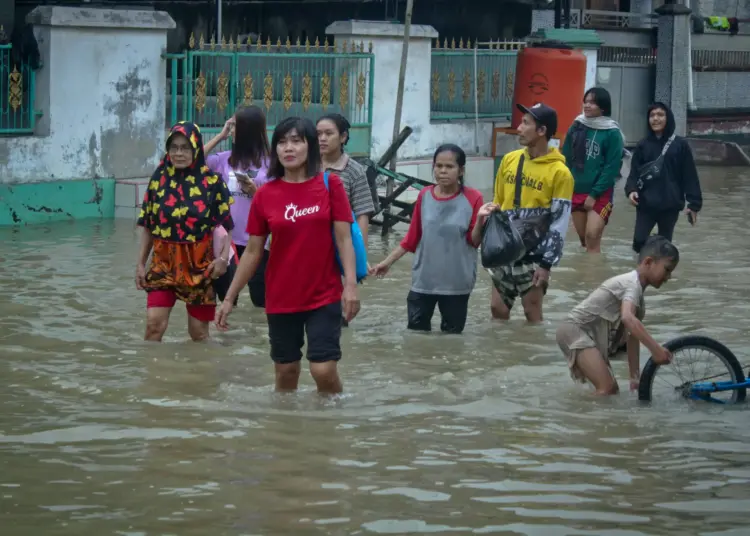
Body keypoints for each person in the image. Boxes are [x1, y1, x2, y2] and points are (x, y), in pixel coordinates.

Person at [215, 117, 360, 395]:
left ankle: (334, 421)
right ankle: (285, 429)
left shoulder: (331, 186)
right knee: (285, 373)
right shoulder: (265, 194)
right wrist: (230, 298)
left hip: (324, 294)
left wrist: (350, 285)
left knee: (323, 370)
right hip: (280, 296)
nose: (288, 148)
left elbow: (344, 239)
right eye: (282, 142)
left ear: (310, 147)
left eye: (296, 140)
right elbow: (254, 251)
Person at [135, 121, 234, 342]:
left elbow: (226, 225)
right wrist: (141, 263)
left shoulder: (212, 181)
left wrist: (222, 259)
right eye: (174, 148)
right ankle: (152, 374)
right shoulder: (158, 180)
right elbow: (149, 225)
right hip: (163, 263)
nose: (179, 153)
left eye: (185, 148)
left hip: (200, 265)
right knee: (153, 326)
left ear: (196, 148)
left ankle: (200, 375)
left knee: (198, 334)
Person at [370, 144, 483, 334]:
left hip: (456, 284)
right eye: (438, 166)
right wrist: (386, 262)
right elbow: (412, 238)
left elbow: (474, 241)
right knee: (416, 335)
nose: (442, 171)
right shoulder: (424, 195)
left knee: (452, 339)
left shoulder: (474, 198)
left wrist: (481, 219)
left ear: (461, 170)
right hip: (424, 281)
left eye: (449, 166)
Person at [480, 103, 574, 322]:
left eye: (525, 123)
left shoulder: (560, 173)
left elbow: (559, 222)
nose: (519, 128)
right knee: (497, 309)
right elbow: (498, 204)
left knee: (532, 312)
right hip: (505, 248)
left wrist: (546, 264)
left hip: (535, 252)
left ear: (542, 131)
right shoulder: (509, 160)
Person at [555, 235, 678, 396]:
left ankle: (584, 414)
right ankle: (573, 416)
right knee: (607, 389)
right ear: (648, 262)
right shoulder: (631, 284)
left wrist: (635, 378)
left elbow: (632, 336)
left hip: (585, 335)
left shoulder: (638, 295)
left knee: (612, 392)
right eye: (667, 269)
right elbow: (627, 318)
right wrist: (656, 350)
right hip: (574, 330)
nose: (668, 277)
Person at [205, 106, 272, 307]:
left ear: (249, 130)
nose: (232, 131)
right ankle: (228, 336)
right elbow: (194, 160)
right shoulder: (224, 159)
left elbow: (280, 204)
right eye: (231, 126)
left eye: (235, 126)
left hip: (259, 240)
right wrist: (220, 135)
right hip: (229, 242)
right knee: (227, 298)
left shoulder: (271, 163)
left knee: (260, 300)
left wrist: (255, 193)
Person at [624, 102, 703, 253]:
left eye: (660, 115)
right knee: (638, 241)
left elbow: (690, 176)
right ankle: (641, 270)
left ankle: (659, 272)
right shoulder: (642, 145)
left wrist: (694, 204)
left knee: (665, 245)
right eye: (652, 115)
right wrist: (631, 190)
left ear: (668, 118)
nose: (655, 119)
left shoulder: (681, 146)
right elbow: (634, 173)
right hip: (646, 203)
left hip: (670, 204)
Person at [561, 87, 625, 253]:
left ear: (603, 107)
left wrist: (594, 194)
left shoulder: (612, 133)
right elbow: (566, 157)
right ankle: (585, 274)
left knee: (592, 236)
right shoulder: (577, 126)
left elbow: (611, 168)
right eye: (586, 101)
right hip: (576, 189)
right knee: (583, 239)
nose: (587, 105)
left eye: (593, 102)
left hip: (599, 193)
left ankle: (594, 277)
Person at [317, 113, 377, 250]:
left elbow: (362, 214)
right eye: (318, 134)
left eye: (328, 133)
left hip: (340, 242)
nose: (322, 139)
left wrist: (360, 254)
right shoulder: (308, 166)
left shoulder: (354, 170)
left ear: (343, 137)